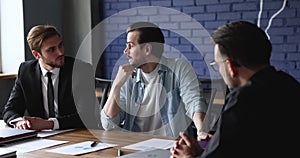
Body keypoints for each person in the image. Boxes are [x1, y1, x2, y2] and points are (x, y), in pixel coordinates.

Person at [170, 21, 300, 158]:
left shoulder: (242, 100)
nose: (219, 70)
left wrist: (188, 156)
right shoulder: (290, 84)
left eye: (217, 65)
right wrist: (208, 149)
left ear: (230, 67)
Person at [100, 22, 208, 138]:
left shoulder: (179, 68)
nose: (125, 51)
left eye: (130, 46)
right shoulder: (128, 76)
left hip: (172, 147)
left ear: (147, 49)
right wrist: (116, 85)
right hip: (134, 147)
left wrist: (201, 130)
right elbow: (108, 125)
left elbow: (194, 101)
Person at [2, 25, 97, 130]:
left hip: (76, 135)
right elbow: (10, 110)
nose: (60, 52)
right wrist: (19, 121)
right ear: (36, 54)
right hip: (40, 139)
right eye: (51, 50)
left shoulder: (81, 70)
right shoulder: (26, 71)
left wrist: (50, 124)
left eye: (60, 45)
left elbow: (87, 116)